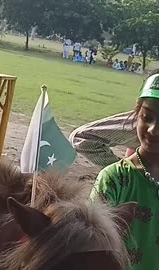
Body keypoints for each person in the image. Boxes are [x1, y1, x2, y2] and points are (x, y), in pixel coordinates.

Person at [90, 73, 159, 269]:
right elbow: (93, 245)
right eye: (147, 117)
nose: (153, 130)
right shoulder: (114, 180)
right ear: (136, 115)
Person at [69, 69, 159, 168]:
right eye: (147, 117)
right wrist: (126, 172)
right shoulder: (141, 125)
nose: (154, 130)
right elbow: (81, 138)